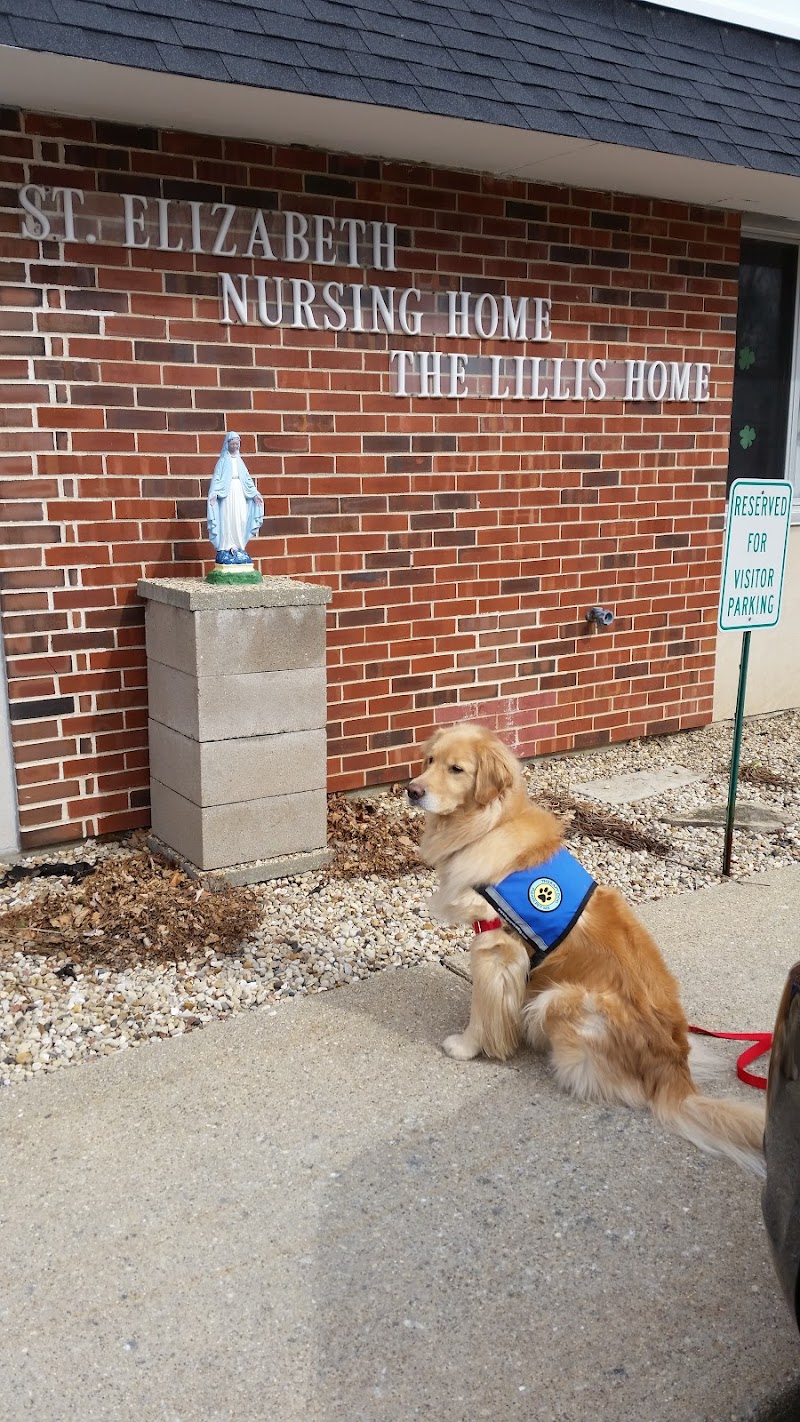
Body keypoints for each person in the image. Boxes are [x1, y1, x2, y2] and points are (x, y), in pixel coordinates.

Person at [206, 431, 264, 565]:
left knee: (241, 518)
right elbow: (217, 478)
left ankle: (239, 546)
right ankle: (226, 547)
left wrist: (255, 493)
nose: (235, 446)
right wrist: (214, 492)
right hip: (227, 494)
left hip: (239, 492)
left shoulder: (240, 462)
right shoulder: (222, 461)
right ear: (227, 445)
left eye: (237, 444)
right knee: (227, 518)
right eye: (232, 443)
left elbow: (247, 480)